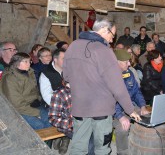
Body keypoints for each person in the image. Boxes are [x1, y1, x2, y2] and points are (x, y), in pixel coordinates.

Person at [63, 18, 140, 154]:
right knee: (102, 148)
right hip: (101, 111)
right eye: (112, 34)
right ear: (104, 29)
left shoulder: (73, 46)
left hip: (80, 108)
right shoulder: (104, 50)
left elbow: (66, 77)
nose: (112, 39)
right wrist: (130, 109)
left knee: (77, 148)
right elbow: (117, 85)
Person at [1, 53, 51, 130]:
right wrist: (36, 113)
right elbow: (16, 104)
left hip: (34, 105)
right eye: (26, 61)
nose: (29, 64)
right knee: (39, 126)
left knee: (51, 122)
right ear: (17, 63)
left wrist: (38, 99)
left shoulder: (30, 73)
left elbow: (35, 90)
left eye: (29, 61)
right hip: (19, 110)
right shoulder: (10, 79)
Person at [113, 49, 149, 155]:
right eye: (126, 62)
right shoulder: (110, 77)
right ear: (117, 62)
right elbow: (111, 101)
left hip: (131, 106)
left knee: (148, 117)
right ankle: (122, 152)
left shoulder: (129, 73)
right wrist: (120, 116)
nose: (129, 64)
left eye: (129, 61)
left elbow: (136, 92)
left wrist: (142, 106)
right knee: (123, 128)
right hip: (114, 112)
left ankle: (142, 144)